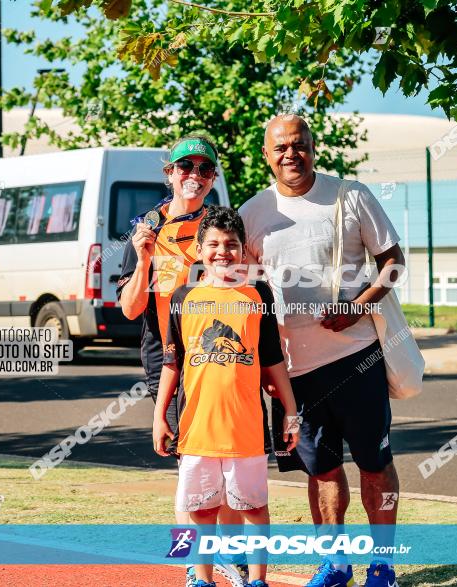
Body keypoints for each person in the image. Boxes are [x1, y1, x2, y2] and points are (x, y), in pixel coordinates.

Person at [239, 115, 405, 587]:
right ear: (266, 156)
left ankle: (384, 566)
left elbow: (393, 261)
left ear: (313, 146)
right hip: (294, 371)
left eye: (299, 144)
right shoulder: (253, 212)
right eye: (281, 148)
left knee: (376, 465)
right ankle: (335, 565)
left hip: (358, 358)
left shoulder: (351, 196)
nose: (291, 154)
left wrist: (358, 307)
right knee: (322, 470)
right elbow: (246, 292)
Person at [116, 135, 257, 587]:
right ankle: (192, 560)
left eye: (203, 168)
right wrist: (142, 258)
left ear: (213, 177)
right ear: (169, 173)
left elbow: (245, 287)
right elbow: (130, 308)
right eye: (184, 167)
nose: (193, 175)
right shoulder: (146, 229)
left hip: (222, 355)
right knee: (189, 463)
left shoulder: (217, 229)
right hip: (169, 355)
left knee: (230, 459)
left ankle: (230, 556)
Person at [153, 206, 299, 587]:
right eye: (214, 244)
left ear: (244, 252)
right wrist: (159, 417)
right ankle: (200, 578)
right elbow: (172, 363)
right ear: (200, 250)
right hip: (196, 428)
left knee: (253, 507)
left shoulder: (257, 296)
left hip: (245, 430)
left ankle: (257, 580)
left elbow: (273, 360)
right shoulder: (184, 297)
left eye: (232, 245)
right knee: (201, 509)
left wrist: (291, 410)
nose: (223, 252)